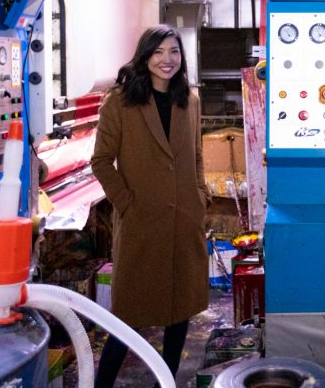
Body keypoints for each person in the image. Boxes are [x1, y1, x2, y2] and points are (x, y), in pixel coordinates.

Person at [90, 25, 210, 387]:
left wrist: (200, 196)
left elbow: (196, 155)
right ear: (144, 57)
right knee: (129, 316)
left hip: (184, 219)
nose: (166, 60)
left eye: (173, 51)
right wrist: (126, 203)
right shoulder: (121, 101)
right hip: (141, 222)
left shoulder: (189, 100)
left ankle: (166, 381)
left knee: (180, 311)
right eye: (158, 52)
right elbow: (101, 161)